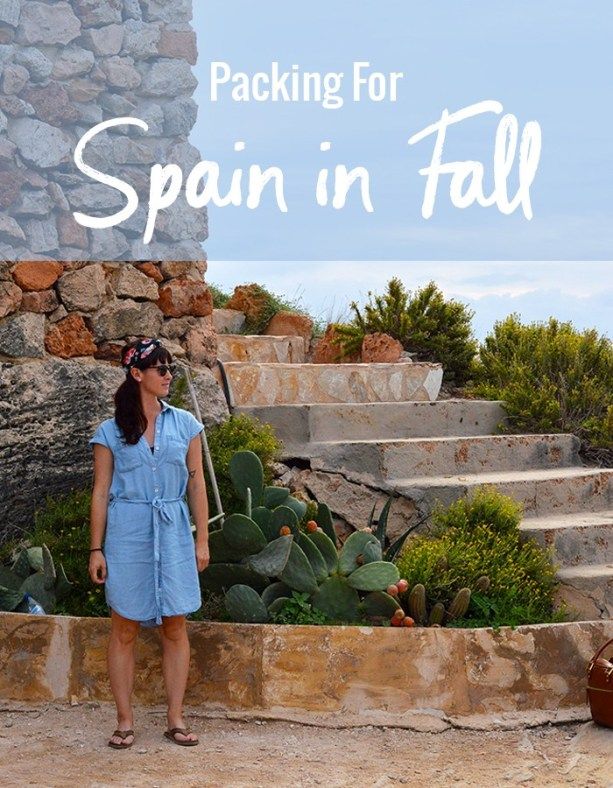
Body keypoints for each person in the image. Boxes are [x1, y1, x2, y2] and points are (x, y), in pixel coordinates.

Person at [88, 337, 210, 749]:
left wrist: (202, 540)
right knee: (123, 627)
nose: (168, 374)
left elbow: (197, 484)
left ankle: (175, 718)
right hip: (127, 532)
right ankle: (124, 721)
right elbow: (100, 491)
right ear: (137, 374)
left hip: (173, 530)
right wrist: (96, 548)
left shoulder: (186, 424)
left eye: (170, 367)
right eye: (160, 368)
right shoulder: (110, 431)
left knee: (175, 625)